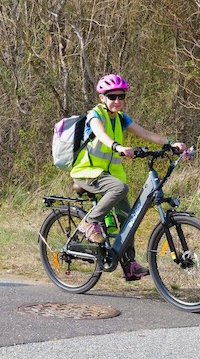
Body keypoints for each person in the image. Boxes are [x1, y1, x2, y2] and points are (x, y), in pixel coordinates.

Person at [70, 73, 187, 281]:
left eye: (121, 96)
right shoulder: (95, 115)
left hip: (109, 176)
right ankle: (89, 222)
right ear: (102, 98)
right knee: (120, 189)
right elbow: (100, 134)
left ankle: (129, 264)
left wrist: (170, 143)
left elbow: (146, 133)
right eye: (112, 96)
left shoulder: (121, 118)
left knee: (129, 219)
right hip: (87, 173)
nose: (117, 101)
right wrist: (119, 147)